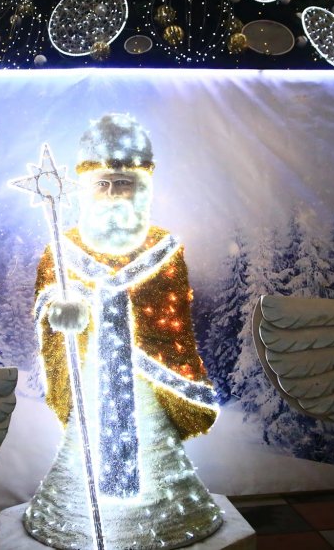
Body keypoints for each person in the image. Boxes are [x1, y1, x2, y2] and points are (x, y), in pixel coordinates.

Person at [23, 114, 223, 549]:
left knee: (154, 459)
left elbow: (173, 319)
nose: (113, 195)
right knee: (85, 449)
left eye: (124, 184)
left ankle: (159, 521)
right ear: (86, 187)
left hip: (144, 380)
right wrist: (60, 309)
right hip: (91, 376)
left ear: (141, 187)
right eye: (103, 184)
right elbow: (47, 298)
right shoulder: (63, 246)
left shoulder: (164, 249)